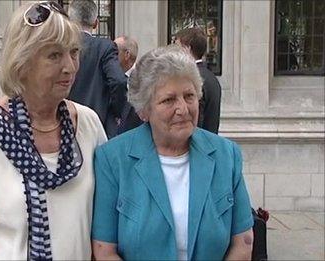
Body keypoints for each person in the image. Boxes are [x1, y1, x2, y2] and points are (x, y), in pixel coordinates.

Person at [0, 2, 107, 260]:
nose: (70, 67)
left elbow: (104, 227)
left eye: (73, 53)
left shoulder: (88, 124)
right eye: (54, 55)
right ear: (22, 61)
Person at [92, 45, 254, 260]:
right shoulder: (112, 159)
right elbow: (104, 250)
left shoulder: (226, 155)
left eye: (189, 96)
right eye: (168, 100)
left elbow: (242, 242)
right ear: (143, 110)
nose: (183, 109)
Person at [68, 0, 128, 138]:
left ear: (70, 21)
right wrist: (116, 111)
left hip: (63, 124)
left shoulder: (58, 47)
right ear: (96, 23)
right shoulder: (104, 47)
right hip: (98, 124)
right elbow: (118, 80)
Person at [175, 27, 222, 134]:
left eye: (177, 48)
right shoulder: (211, 76)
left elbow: (195, 119)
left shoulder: (192, 78)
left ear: (187, 48)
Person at [113, 35, 142, 134]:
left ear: (127, 54)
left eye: (114, 52)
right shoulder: (111, 77)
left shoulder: (143, 78)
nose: (110, 56)